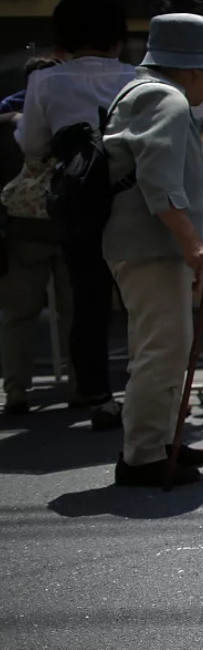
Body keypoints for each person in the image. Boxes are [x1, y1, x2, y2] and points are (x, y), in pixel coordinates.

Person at [102, 13, 203, 487]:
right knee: (164, 348)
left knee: (160, 346)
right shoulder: (166, 99)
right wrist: (192, 242)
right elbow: (158, 179)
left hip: (144, 244)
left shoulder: (141, 91)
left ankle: (161, 442)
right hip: (153, 246)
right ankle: (142, 455)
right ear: (192, 68)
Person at [15, 0, 136, 430]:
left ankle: (96, 391)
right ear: (118, 38)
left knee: (88, 300)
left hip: (81, 201)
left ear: (62, 39)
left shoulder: (46, 82)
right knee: (143, 299)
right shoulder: (140, 77)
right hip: (136, 199)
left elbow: (31, 144)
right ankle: (145, 390)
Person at [0, 56, 71, 416]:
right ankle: (81, 385)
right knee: (74, 311)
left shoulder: (5, 119)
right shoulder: (69, 113)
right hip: (68, 226)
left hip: (20, 229)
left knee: (18, 315)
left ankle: (15, 389)